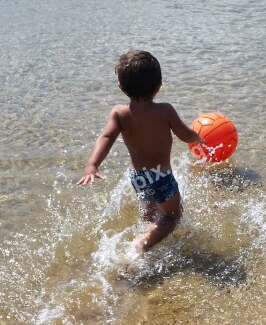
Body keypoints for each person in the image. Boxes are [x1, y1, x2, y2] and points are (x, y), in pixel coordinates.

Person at [77, 50, 202, 253]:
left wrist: (92, 165)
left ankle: (143, 235)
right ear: (158, 87)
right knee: (173, 217)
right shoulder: (165, 111)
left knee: (150, 211)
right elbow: (185, 135)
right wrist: (198, 137)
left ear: (120, 86)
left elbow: (106, 138)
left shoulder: (119, 113)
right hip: (161, 175)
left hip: (137, 176)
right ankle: (141, 245)